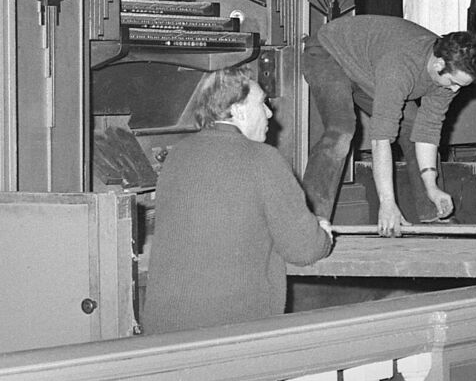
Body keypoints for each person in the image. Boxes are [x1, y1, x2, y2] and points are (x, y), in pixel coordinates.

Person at [142, 65, 333, 333]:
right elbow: (304, 250)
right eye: (262, 104)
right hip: (230, 335)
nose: (269, 113)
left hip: (164, 333)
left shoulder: (178, 154)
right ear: (238, 110)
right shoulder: (263, 159)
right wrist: (323, 235)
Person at [301, 15, 476, 237]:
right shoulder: (400, 68)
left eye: (460, 86)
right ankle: (309, 222)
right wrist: (387, 204)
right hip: (329, 52)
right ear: (439, 64)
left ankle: (432, 211)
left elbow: (427, 133)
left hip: (369, 68)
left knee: (413, 126)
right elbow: (381, 139)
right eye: (454, 83)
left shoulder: (446, 75)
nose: (454, 91)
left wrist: (432, 186)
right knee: (342, 129)